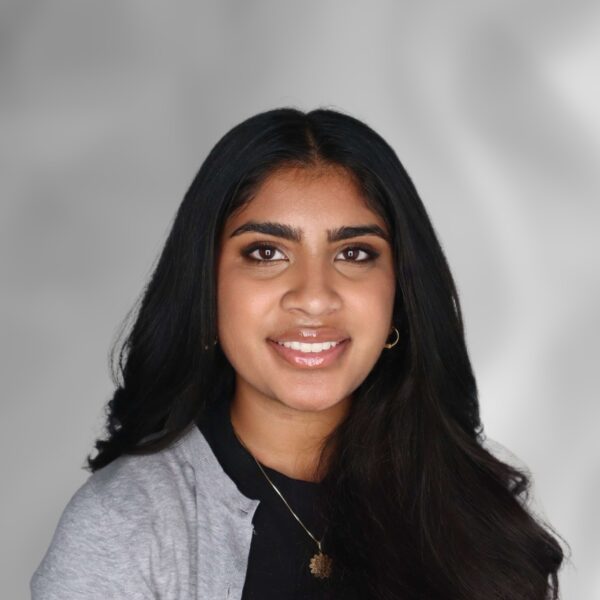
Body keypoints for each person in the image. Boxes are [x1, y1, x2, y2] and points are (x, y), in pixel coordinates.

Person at [30, 107, 566, 599]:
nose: (314, 297)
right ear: (206, 285)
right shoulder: (124, 524)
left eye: (354, 253)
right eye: (267, 252)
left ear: (399, 293)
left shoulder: (476, 510)